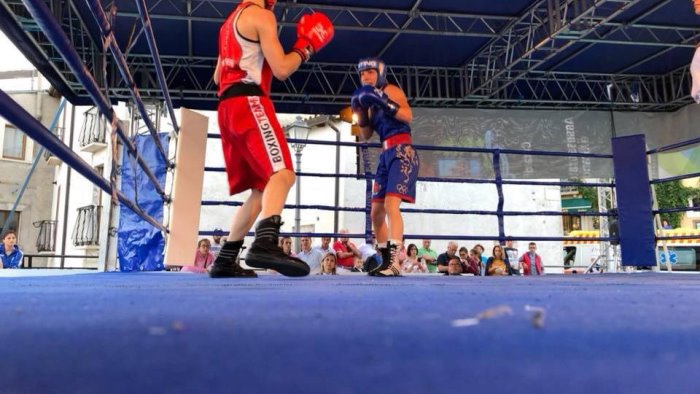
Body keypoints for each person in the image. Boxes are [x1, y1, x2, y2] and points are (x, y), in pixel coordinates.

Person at [208, 0, 334, 278]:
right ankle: (265, 242)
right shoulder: (261, 16)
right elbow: (281, 69)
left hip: (227, 108)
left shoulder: (228, 24)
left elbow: (218, 76)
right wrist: (307, 46)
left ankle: (225, 259)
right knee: (284, 173)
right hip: (249, 101)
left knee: (261, 189)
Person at [352, 59, 419, 276]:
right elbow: (365, 135)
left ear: (380, 73)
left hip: (402, 151)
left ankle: (394, 263)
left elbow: (408, 116)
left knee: (391, 205)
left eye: (370, 72)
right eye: (362, 74)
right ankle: (384, 260)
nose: (366, 77)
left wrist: (384, 101)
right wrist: (360, 110)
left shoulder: (391, 90)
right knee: (376, 213)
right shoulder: (369, 102)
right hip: (385, 154)